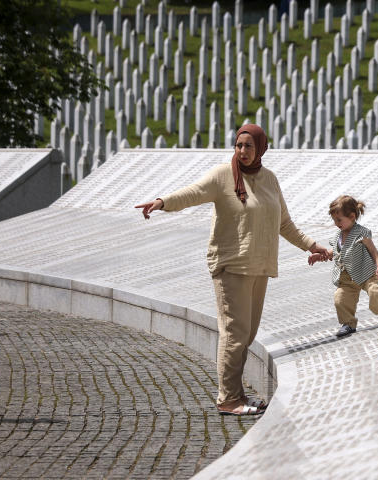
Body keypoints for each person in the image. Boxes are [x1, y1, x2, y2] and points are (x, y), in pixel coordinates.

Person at [135, 124, 332, 416]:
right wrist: (162, 202)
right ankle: (228, 399)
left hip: (259, 266)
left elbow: (284, 223)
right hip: (231, 266)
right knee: (234, 332)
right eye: (239, 145)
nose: (242, 151)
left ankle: (238, 394)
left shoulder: (269, 179)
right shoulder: (222, 176)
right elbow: (194, 193)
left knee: (247, 333)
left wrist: (311, 246)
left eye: (248, 146)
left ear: (261, 148)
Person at [309, 195, 378, 338]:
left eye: (339, 220)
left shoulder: (361, 233)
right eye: (334, 220)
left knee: (375, 293)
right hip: (347, 276)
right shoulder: (338, 235)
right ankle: (348, 323)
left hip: (365, 272)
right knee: (340, 298)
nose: (336, 223)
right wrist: (321, 256)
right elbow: (336, 252)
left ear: (351, 216)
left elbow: (373, 251)